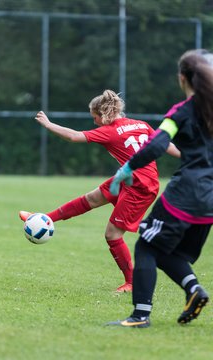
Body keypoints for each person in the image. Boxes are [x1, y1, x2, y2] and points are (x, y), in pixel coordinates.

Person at [19, 90, 180, 292]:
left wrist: (49, 124)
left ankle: (131, 283)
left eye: (94, 118)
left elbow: (74, 136)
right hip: (131, 178)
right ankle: (42, 217)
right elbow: (164, 144)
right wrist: (188, 156)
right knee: (92, 198)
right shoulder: (141, 124)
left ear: (102, 115)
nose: (94, 122)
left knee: (112, 235)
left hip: (140, 188)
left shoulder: (110, 131)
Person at [107, 49, 213, 327]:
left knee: (145, 246)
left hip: (185, 193)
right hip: (210, 199)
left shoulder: (182, 111)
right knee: (168, 251)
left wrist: (127, 168)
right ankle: (194, 291)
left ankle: (140, 316)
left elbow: (156, 144)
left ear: (182, 79)